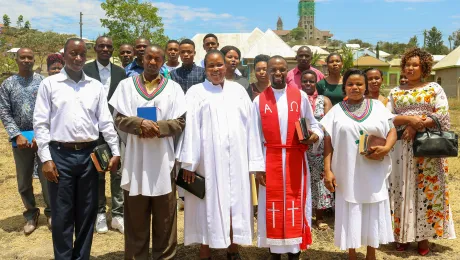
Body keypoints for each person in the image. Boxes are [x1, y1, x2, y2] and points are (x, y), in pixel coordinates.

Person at [33, 38, 120, 259]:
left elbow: (106, 122)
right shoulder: (49, 85)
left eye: (82, 54)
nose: (78, 58)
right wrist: (46, 158)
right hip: (59, 155)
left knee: (86, 213)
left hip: (89, 156)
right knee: (62, 214)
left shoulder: (95, 86)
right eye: (73, 53)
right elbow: (41, 124)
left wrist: (115, 151)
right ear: (64, 54)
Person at [177, 50, 265, 260]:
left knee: (236, 202)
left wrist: (255, 161)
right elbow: (190, 129)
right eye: (211, 66)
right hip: (208, 160)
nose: (216, 70)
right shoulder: (196, 93)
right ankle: (205, 250)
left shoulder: (238, 91)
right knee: (207, 205)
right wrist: (189, 162)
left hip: (237, 159)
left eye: (219, 65)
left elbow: (252, 126)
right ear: (205, 69)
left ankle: (233, 249)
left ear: (226, 66)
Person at [109, 45, 186, 260]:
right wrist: (139, 123)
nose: (152, 62)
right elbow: (118, 118)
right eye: (149, 57)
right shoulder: (126, 86)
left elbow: (180, 122)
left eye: (157, 59)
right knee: (135, 220)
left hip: (163, 162)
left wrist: (157, 128)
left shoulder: (174, 88)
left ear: (163, 62)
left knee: (165, 221)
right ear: (142, 59)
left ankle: (165, 257)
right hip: (136, 162)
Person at [321, 68, 396, 260]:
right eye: (350, 84)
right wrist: (327, 170)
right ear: (344, 86)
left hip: (374, 170)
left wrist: (386, 148)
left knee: (373, 207)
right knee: (350, 209)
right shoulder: (336, 112)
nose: (355, 87)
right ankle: (352, 254)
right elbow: (328, 142)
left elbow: (392, 131)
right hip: (347, 171)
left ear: (366, 86)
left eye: (359, 84)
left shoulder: (378, 106)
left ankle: (371, 254)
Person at [387, 48, 456, 256]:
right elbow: (388, 118)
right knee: (401, 190)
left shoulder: (434, 88)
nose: (410, 68)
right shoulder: (395, 92)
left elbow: (442, 115)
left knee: (426, 192)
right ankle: (402, 236)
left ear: (423, 67)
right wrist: (408, 121)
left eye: (415, 65)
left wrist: (416, 126)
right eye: (407, 64)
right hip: (401, 149)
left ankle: (424, 238)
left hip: (427, 149)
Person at [255, 56, 323, 260]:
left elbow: (314, 125)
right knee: (272, 205)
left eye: (282, 69)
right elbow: (253, 135)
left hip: (295, 158)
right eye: (273, 70)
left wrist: (313, 136)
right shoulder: (259, 100)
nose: (278, 73)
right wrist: (258, 167)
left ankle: (294, 251)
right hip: (270, 159)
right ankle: (274, 251)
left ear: (288, 72)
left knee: (295, 204)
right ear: (267, 72)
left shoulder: (300, 96)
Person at [0, 48, 51, 235]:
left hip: (42, 139)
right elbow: (4, 111)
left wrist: (42, 134)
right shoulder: (8, 84)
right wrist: (16, 135)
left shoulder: (43, 82)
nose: (27, 60)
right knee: (23, 180)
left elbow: (49, 109)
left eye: (30, 57)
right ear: (17, 60)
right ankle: (31, 213)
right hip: (20, 141)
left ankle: (51, 212)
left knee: (48, 177)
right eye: (23, 57)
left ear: (34, 60)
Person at [83, 36, 127, 234]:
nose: (105, 49)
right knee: (97, 172)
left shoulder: (120, 72)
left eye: (109, 46)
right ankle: (100, 212)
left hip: (116, 130)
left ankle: (118, 214)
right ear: (95, 48)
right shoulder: (85, 71)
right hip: (93, 130)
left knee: (117, 172)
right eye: (101, 46)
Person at [300, 69, 333, 230]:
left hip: (320, 147)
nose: (308, 84)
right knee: (303, 181)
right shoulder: (297, 99)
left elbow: (328, 123)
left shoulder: (324, 100)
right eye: (305, 81)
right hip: (301, 146)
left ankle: (319, 217)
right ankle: (304, 216)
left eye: (311, 81)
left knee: (319, 181)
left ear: (316, 82)